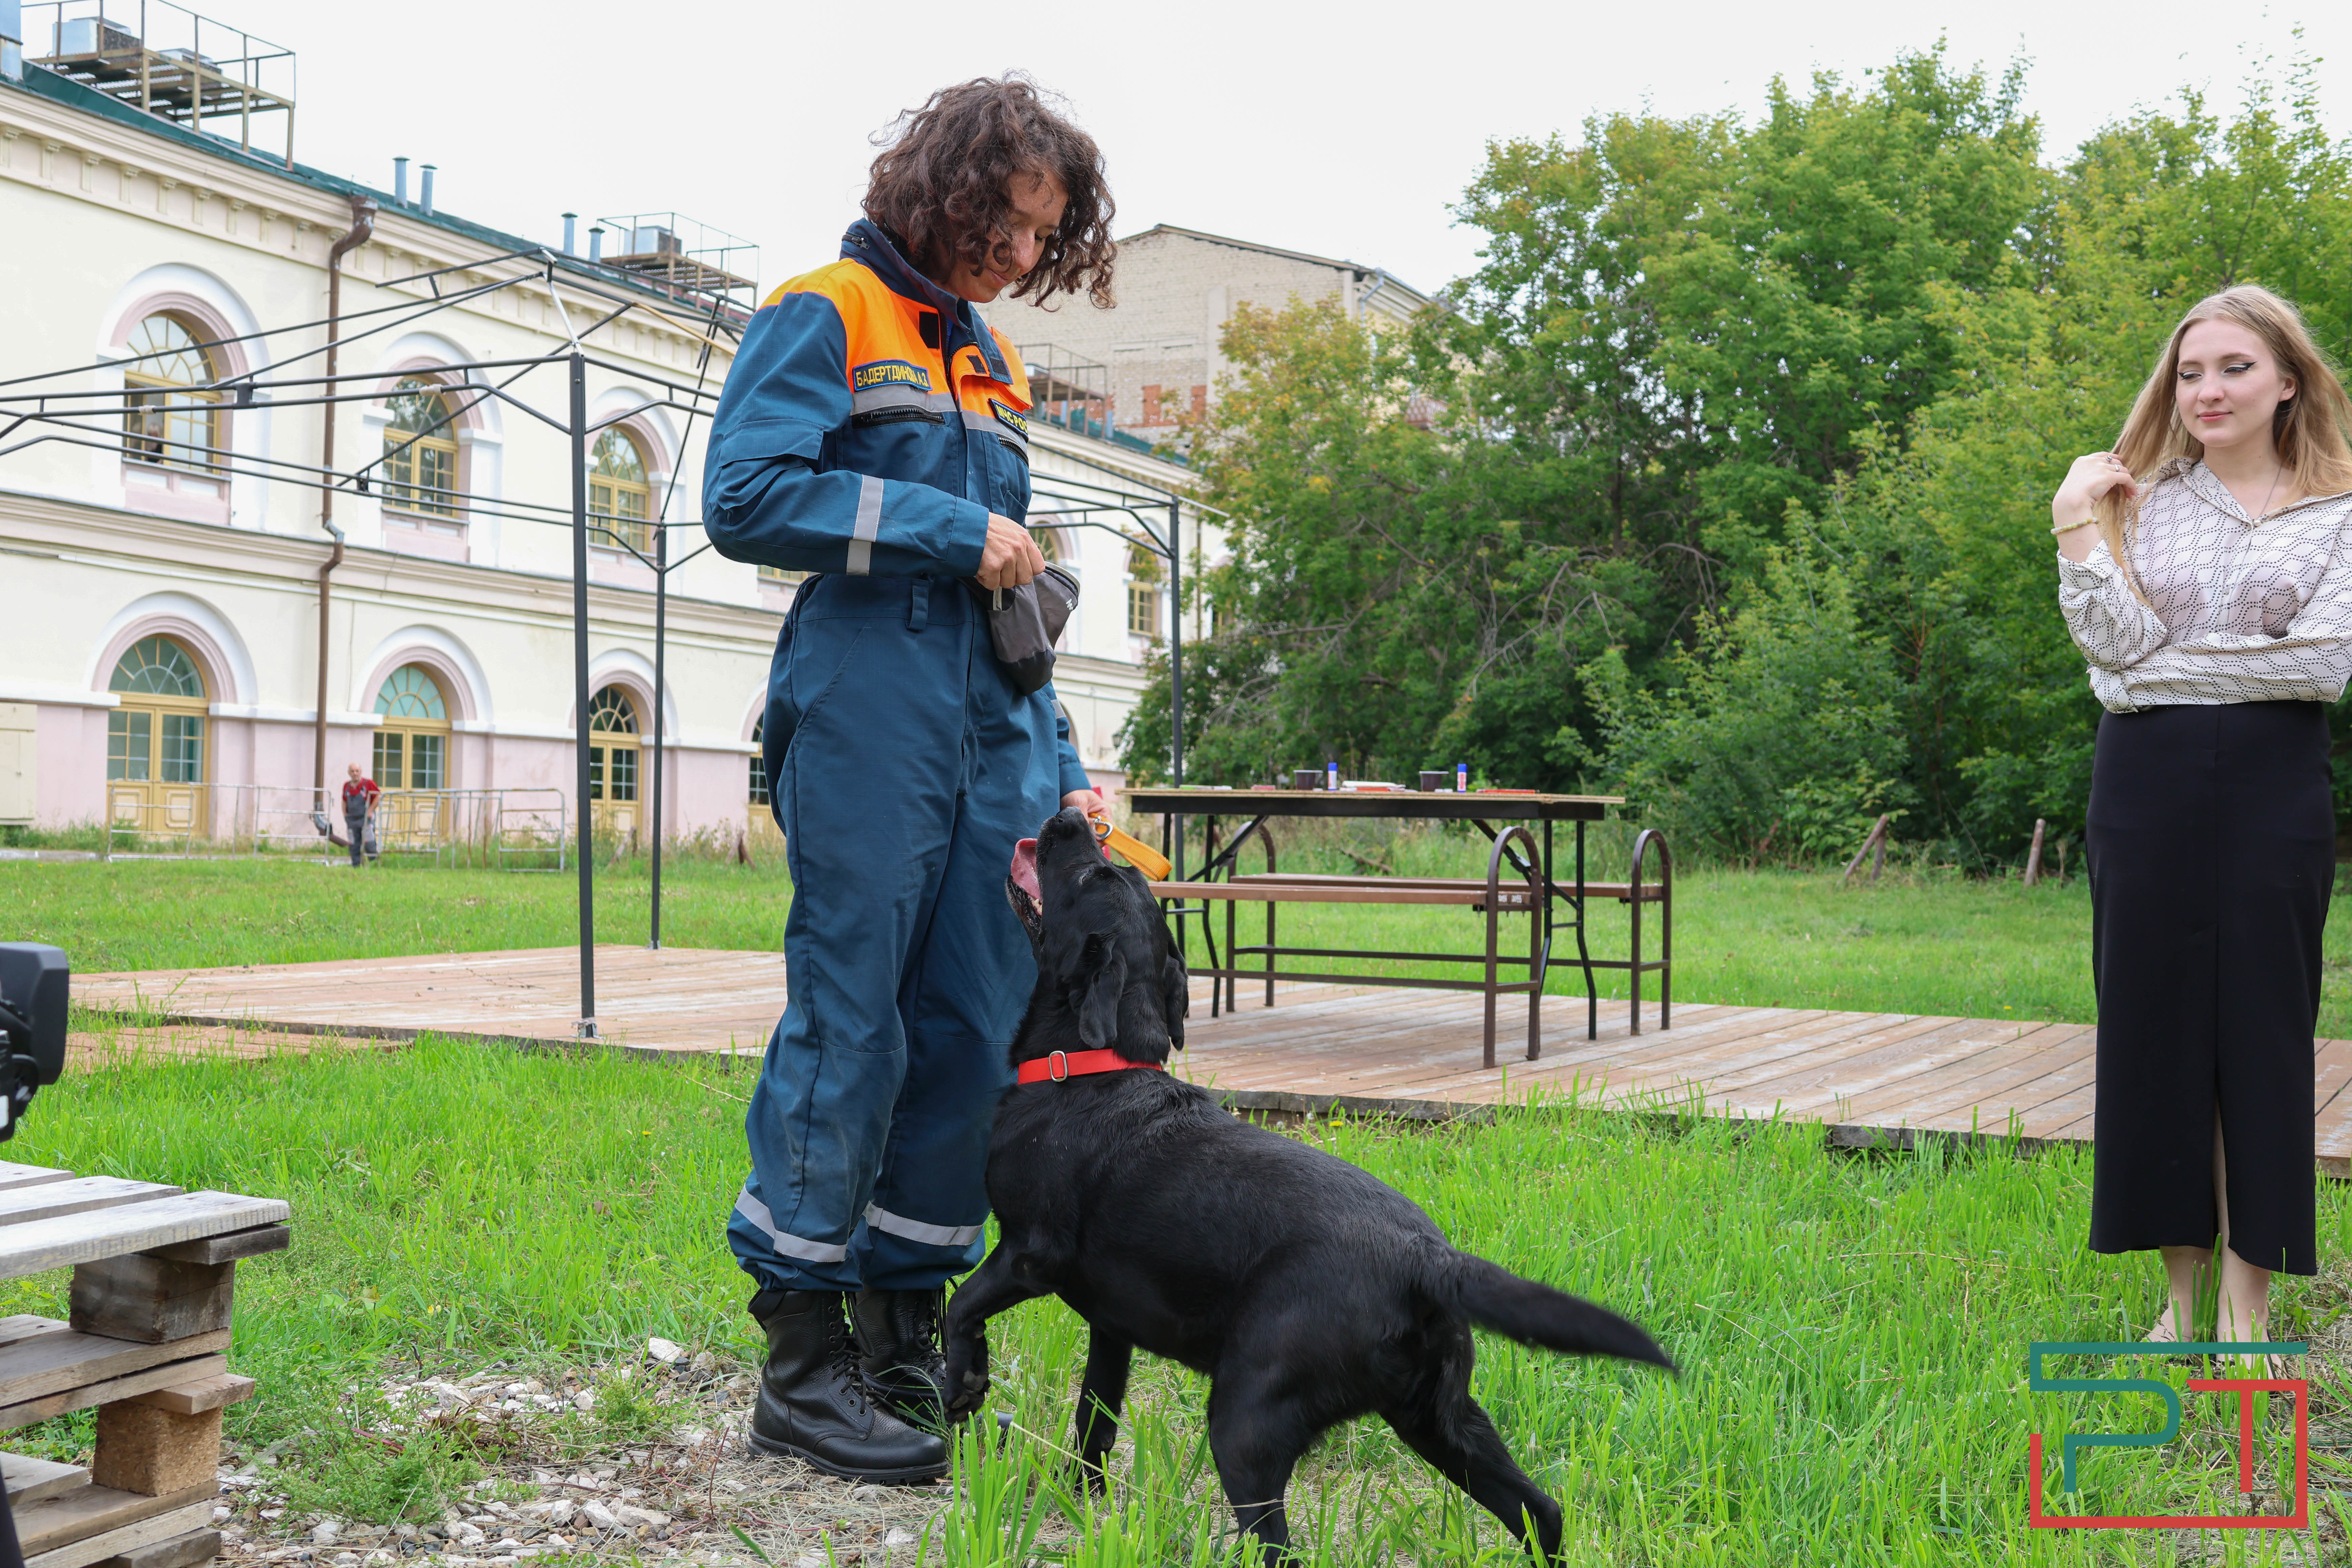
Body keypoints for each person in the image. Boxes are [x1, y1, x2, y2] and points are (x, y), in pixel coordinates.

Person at [702, 77, 1117, 1483]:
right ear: (945, 184)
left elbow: (1017, 593)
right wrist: (952, 524)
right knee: (853, 1023)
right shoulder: (823, 309)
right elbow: (743, 498)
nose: (1016, 255)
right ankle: (802, 1360)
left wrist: (1062, 768)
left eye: (1039, 236)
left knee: (970, 1028)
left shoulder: (985, 357)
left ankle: (902, 1329)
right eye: (1006, 222)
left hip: (994, 741)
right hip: (868, 723)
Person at [2053, 284, 2352, 1360]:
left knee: (2261, 1037)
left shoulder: (2340, 508)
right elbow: (2107, 647)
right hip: (2143, 784)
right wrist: (2072, 523)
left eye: (2232, 367)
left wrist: (2161, 671)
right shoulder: (2138, 497)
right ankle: (2178, 1306)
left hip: (2274, 788)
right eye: (2188, 371)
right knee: (2152, 1035)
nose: (2207, 389)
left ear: (2286, 379)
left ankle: (2247, 1307)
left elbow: (2322, 660)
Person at [340, 762, 379, 868]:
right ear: (349, 773)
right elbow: (344, 801)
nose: (355, 774)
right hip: (352, 820)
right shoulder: (346, 786)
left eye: (357, 771)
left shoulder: (368, 783)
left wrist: (371, 810)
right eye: (352, 771)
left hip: (366, 819)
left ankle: (374, 865)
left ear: (361, 772)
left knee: (369, 843)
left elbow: (378, 797)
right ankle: (356, 866)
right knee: (354, 844)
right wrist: (345, 814)